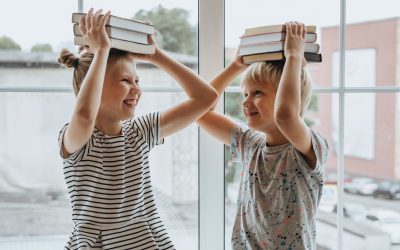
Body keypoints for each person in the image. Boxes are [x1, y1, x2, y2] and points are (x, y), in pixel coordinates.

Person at [57, 8, 217, 250]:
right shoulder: (78, 139)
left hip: (148, 241)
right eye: (125, 80)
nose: (136, 89)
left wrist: (156, 56)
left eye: (137, 81)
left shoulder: (140, 131)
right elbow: (85, 114)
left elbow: (206, 98)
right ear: (95, 86)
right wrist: (101, 50)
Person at [197, 22, 329, 249]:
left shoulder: (307, 146)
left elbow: (285, 116)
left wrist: (294, 57)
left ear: (289, 96)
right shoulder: (249, 143)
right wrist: (235, 67)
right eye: (245, 93)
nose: (246, 102)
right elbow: (199, 111)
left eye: (257, 93)